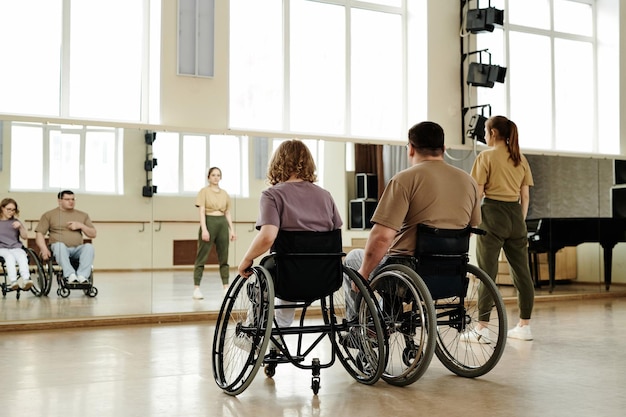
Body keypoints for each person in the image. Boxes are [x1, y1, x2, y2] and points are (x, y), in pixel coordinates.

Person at [344, 121, 481, 323]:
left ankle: (360, 329)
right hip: (451, 269)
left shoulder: (404, 179)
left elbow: (382, 237)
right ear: (443, 149)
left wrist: (363, 272)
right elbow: (471, 228)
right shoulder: (468, 181)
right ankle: (384, 313)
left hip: (407, 270)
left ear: (410, 148)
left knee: (354, 258)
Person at [238, 139, 343, 328]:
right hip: (325, 277)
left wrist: (247, 258)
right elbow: (335, 233)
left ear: (278, 163)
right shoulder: (325, 195)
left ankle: (257, 329)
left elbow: (268, 236)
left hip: (288, 276)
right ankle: (279, 330)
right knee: (290, 265)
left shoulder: (272, 195)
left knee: (271, 268)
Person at [470, 115, 535, 341]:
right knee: (522, 273)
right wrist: (520, 220)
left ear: (494, 133)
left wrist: (471, 220)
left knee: (487, 272)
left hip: (492, 215)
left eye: (486, 132)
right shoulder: (520, 158)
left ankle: (481, 329)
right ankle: (524, 326)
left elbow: (477, 193)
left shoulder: (485, 156)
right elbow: (525, 195)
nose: (485, 137)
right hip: (516, 217)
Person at [192, 167, 236, 300]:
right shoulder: (204, 192)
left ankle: (226, 287)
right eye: (213, 175)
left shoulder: (225, 194)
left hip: (222, 223)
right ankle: (197, 288)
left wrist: (232, 230)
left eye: (218, 175)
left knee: (224, 257)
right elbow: (201, 211)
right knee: (202, 257)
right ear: (208, 177)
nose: (216, 177)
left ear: (220, 177)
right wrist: (204, 229)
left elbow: (227, 212)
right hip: (209, 221)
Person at [35, 190, 97, 284]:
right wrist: (43, 249)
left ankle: (82, 276)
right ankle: (70, 275)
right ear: (59, 201)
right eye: (67, 199)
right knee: (60, 246)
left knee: (89, 247)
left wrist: (81, 226)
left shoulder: (83, 215)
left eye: (73, 199)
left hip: (77, 249)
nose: (71, 201)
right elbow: (39, 233)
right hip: (58, 248)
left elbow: (93, 234)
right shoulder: (49, 215)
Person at [0, 198, 33, 291]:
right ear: (2, 208)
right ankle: (13, 281)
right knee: (9, 257)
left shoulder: (16, 221)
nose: (11, 212)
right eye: (8, 209)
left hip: (15, 246)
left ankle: (26, 279)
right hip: (2, 248)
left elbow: (25, 236)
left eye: (13, 209)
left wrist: (20, 227)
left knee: (22, 256)